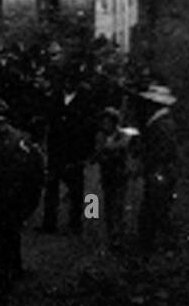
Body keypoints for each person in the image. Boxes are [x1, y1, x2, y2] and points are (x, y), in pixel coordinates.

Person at [40, 63, 97, 233]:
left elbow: (89, 126)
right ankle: (49, 223)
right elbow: (50, 119)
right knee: (51, 187)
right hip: (56, 148)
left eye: (72, 81)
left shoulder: (85, 99)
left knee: (77, 189)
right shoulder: (56, 97)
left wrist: (87, 150)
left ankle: (77, 223)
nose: (68, 84)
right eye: (66, 80)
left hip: (74, 150)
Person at [137, 83, 179, 252]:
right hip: (160, 170)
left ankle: (155, 245)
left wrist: (148, 161)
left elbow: (162, 151)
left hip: (159, 171)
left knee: (156, 208)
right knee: (155, 207)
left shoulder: (162, 125)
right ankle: (152, 244)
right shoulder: (160, 122)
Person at [93, 107, 133, 249]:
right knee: (109, 204)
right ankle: (110, 233)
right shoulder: (101, 136)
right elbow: (100, 152)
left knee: (118, 204)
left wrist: (109, 149)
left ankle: (118, 235)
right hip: (107, 174)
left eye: (108, 122)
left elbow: (123, 147)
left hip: (120, 174)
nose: (105, 125)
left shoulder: (122, 135)